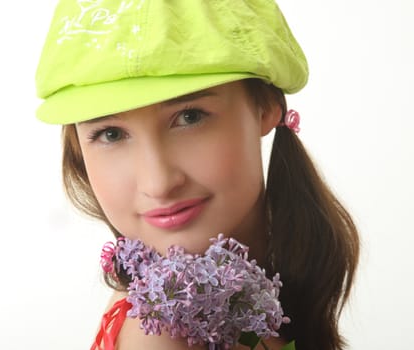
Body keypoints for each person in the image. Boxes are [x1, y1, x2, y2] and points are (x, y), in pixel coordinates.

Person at [34, 1, 360, 349]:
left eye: (189, 117)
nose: (158, 183)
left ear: (265, 106)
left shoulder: (236, 302)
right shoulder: (160, 332)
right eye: (111, 134)